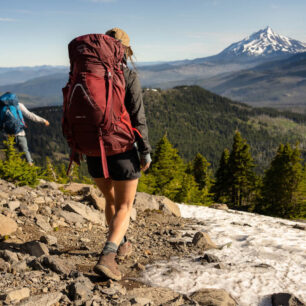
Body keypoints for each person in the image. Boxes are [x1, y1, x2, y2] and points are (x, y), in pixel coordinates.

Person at [86, 28, 152, 280]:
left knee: (110, 200)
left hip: (93, 150)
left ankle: (121, 243)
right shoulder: (127, 75)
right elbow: (138, 116)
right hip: (122, 150)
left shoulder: (87, 75)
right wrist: (145, 151)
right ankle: (108, 255)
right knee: (125, 205)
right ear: (124, 50)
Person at [0, 92, 50, 165]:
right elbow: (30, 115)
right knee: (26, 154)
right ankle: (32, 172)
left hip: (8, 135)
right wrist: (43, 120)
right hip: (20, 133)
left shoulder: (2, 108)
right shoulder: (18, 105)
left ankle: (11, 173)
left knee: (10, 155)